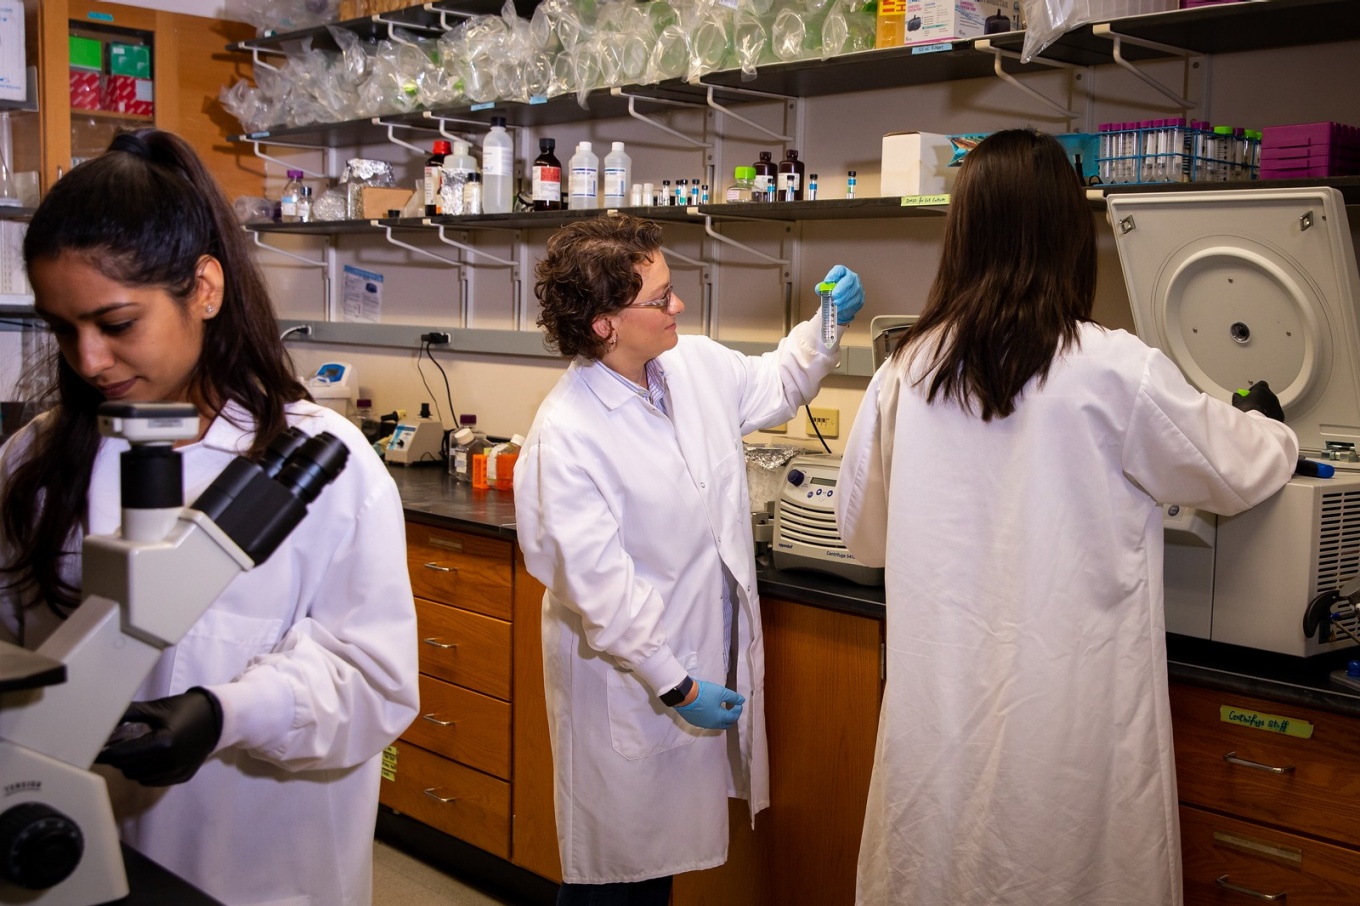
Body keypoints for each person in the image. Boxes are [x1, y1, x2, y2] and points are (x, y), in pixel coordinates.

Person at [835, 128, 1298, 906]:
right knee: (1067, 868)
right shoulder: (1113, 366)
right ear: (1067, 234)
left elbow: (863, 532)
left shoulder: (905, 371)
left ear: (964, 232)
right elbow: (1234, 467)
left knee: (936, 865)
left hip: (942, 711)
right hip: (1070, 717)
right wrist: (1272, 424)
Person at [0, 128, 419, 905]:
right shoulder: (34, 461)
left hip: (262, 871)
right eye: (64, 329)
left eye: (117, 323)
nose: (87, 361)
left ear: (204, 288)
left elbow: (374, 686)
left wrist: (225, 713)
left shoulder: (324, 463)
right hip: (69, 860)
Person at [514, 213, 863, 904]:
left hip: (684, 667)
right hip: (633, 685)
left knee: (654, 875)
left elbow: (778, 382)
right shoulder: (568, 436)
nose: (677, 306)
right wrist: (677, 686)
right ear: (605, 323)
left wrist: (827, 323)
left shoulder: (691, 366)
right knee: (614, 880)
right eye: (659, 297)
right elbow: (603, 596)